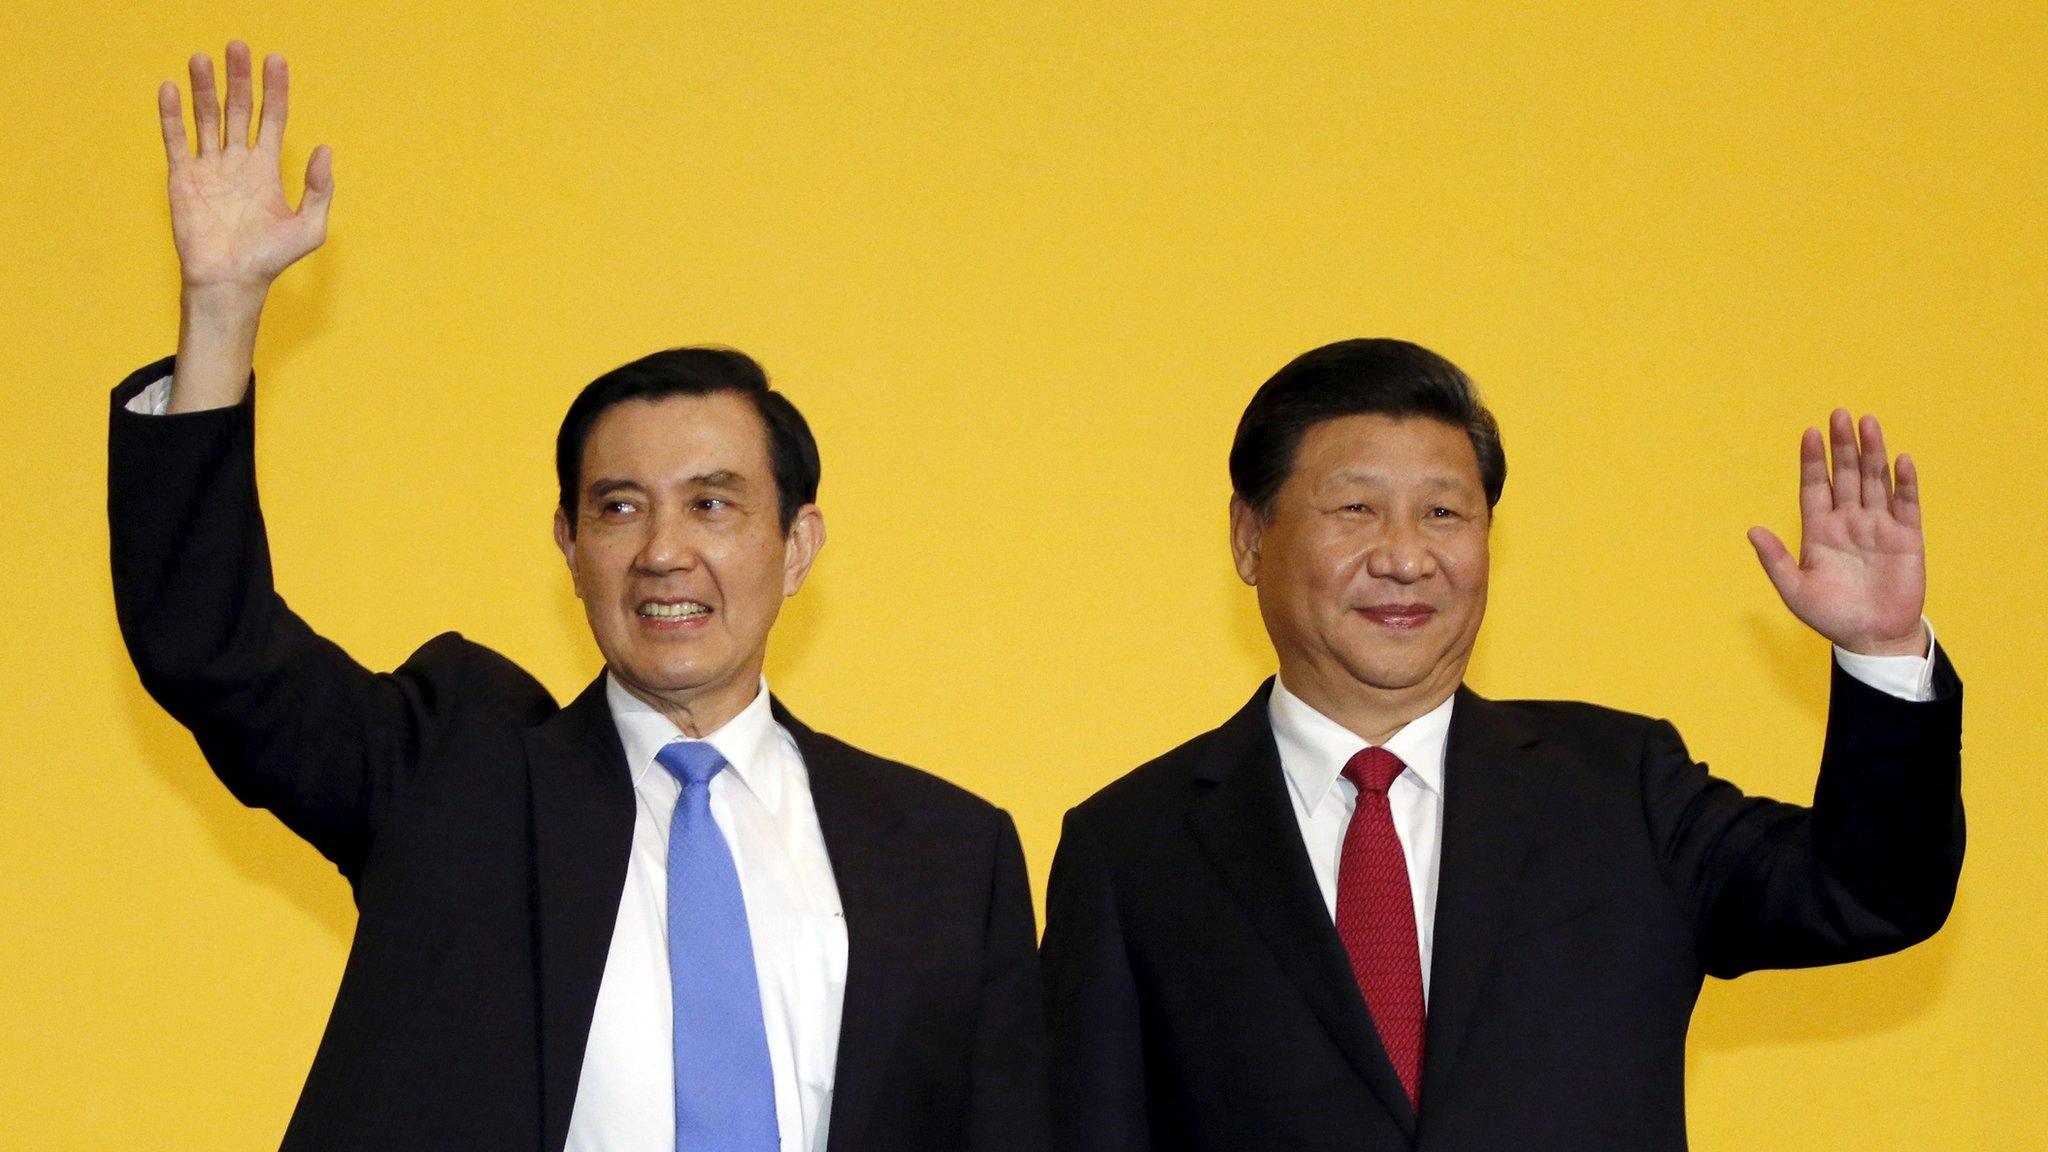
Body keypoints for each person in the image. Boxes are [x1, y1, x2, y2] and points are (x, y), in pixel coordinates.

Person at [111, 43, 1047, 1152]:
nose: (661, 553)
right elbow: (208, 647)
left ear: (796, 546)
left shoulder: (945, 851)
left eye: (711, 506)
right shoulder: (453, 776)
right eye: (616, 508)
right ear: (566, 543)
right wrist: (220, 312)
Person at [1040, 338, 1962, 1151]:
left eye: (1445, 514)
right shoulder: (1131, 850)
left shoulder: (1623, 789)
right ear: (1249, 538)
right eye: (1356, 510)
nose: (1406, 556)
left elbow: (1869, 894)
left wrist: (1879, 651)